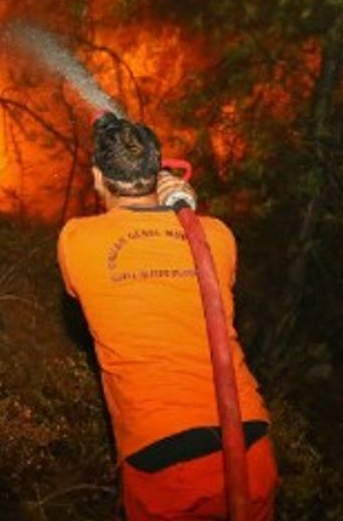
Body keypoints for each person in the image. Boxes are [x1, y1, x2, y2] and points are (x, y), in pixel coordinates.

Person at [57, 113, 276, 521]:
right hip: (249, 446)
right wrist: (178, 209)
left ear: (97, 177)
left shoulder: (76, 241)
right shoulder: (217, 234)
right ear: (159, 171)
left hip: (165, 460)